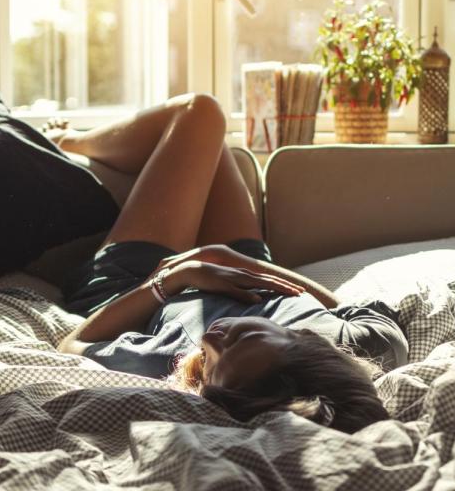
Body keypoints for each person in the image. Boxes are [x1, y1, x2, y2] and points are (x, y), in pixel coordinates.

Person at [49, 93, 408, 434]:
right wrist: (235, 262)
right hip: (243, 264)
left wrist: (179, 276)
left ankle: (66, 141)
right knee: (211, 138)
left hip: (143, 279)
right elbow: (350, 309)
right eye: (244, 335)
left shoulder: (173, 359)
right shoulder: (370, 345)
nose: (212, 338)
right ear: (305, 342)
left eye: (209, 362)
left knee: (200, 112)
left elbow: (72, 347)